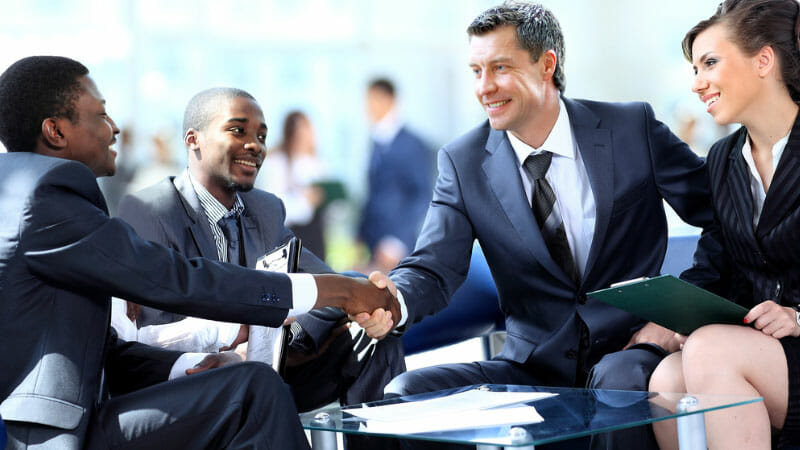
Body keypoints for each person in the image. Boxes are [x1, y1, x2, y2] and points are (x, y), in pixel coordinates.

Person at [356, 2, 715, 449]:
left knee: (616, 384)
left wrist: (676, 316)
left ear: (547, 64)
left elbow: (721, 217)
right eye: (475, 71)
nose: (483, 87)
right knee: (404, 394)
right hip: (532, 368)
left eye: (499, 68)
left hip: (630, 352)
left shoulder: (630, 128)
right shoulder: (462, 162)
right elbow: (433, 267)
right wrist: (393, 299)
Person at [0, 55, 399, 450]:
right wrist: (341, 291)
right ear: (55, 130)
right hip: (63, 433)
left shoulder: (28, 191)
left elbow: (110, 347)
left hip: (95, 412)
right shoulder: (48, 195)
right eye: (101, 114)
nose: (115, 127)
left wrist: (188, 366)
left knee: (253, 384)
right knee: (252, 391)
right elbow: (175, 279)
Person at [117, 89, 405, 413]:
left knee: (372, 336)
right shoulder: (150, 211)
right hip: (198, 384)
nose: (255, 144)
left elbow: (325, 284)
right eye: (238, 130)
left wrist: (279, 341)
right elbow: (149, 340)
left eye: (262, 135)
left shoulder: (265, 208)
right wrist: (236, 345)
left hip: (267, 371)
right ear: (193, 139)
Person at [648, 1, 800, 448]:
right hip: (767, 349)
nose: (697, 84)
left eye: (710, 63)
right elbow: (716, 265)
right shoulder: (723, 159)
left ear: (763, 60)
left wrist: (797, 315)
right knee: (667, 379)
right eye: (694, 69)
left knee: (711, 350)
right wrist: (679, 312)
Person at [358, 78, 433, 273]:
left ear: (389, 100)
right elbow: (373, 194)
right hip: (372, 243)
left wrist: (396, 241)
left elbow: (421, 196)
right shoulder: (375, 141)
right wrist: (359, 235)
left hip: (396, 248)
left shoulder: (412, 144)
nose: (368, 107)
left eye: (373, 100)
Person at [257, 110, 328, 258]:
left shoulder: (317, 164)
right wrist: (305, 202)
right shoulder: (276, 162)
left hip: (315, 239)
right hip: (289, 239)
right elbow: (275, 206)